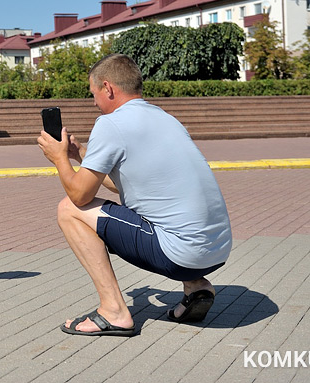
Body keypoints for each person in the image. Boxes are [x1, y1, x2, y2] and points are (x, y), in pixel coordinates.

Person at [37, 54, 232, 336]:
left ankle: (114, 311)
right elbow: (126, 186)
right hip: (217, 250)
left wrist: (58, 159)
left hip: (181, 254)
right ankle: (196, 286)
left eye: (93, 94)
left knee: (69, 210)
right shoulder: (165, 118)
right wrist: (80, 155)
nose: (94, 102)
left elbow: (80, 196)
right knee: (144, 215)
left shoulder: (111, 123)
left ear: (108, 88)